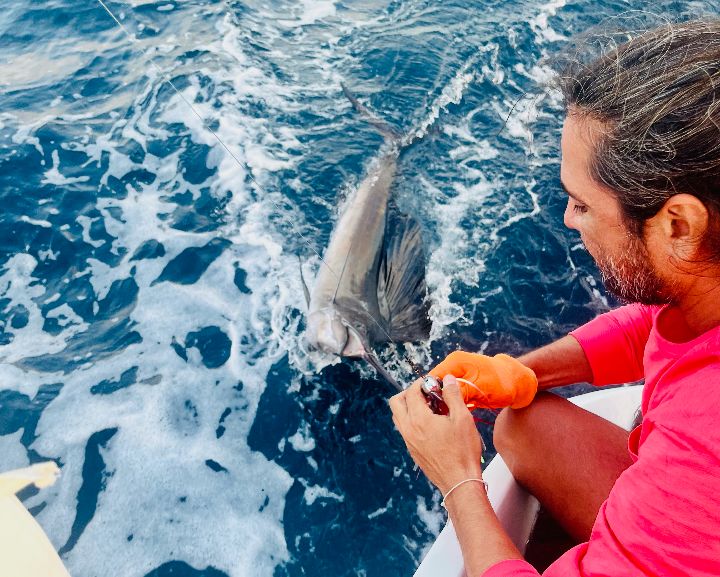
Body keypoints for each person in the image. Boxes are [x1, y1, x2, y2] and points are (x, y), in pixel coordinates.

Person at [389, 19, 720, 577]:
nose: (568, 220)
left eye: (584, 205)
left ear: (679, 224)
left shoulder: (704, 439)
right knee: (525, 422)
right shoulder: (704, 288)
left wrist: (459, 481)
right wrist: (520, 374)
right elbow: (663, 322)